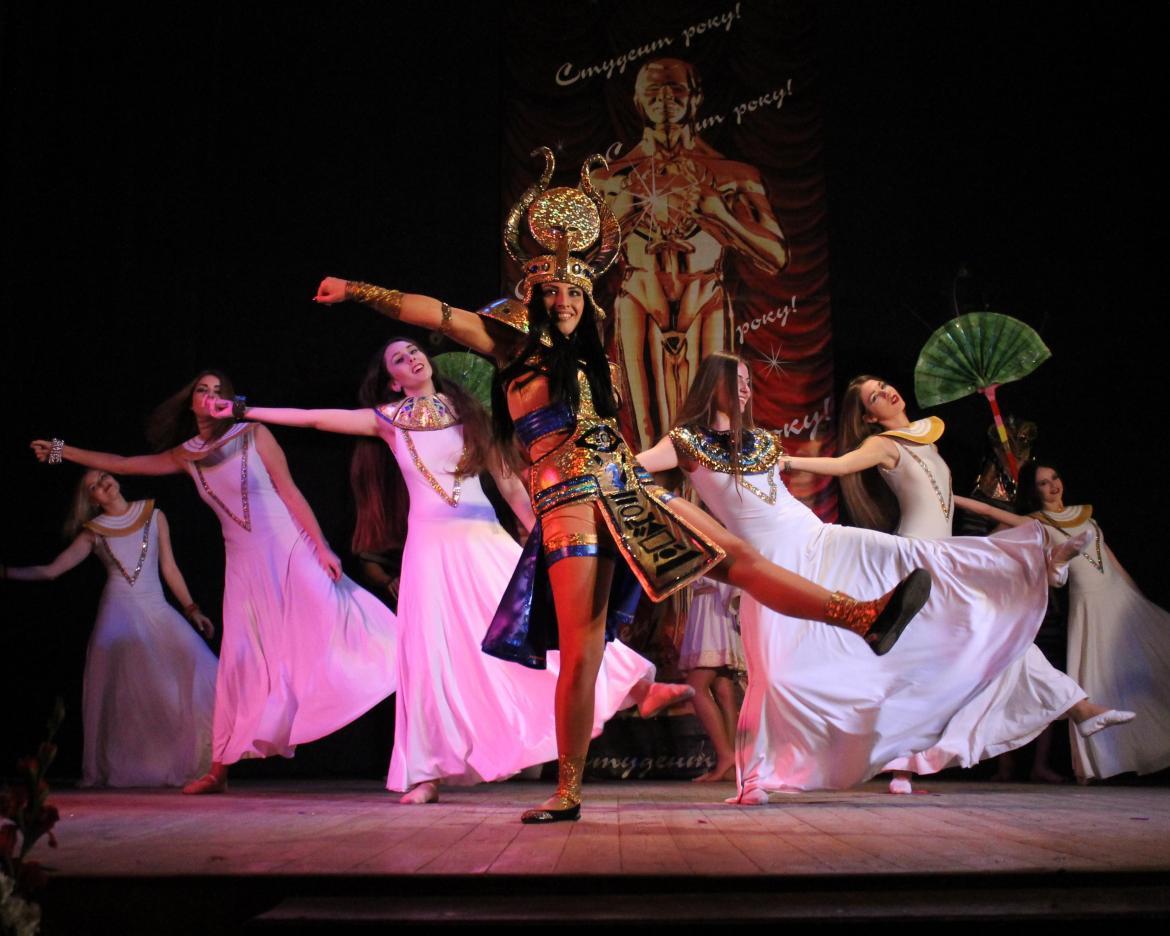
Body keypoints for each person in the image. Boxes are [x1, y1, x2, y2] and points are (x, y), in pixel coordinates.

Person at [313, 148, 931, 822]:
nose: (565, 302)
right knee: (582, 651)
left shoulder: (593, 366)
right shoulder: (513, 347)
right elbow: (435, 313)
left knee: (740, 561)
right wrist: (356, 290)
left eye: (576, 294)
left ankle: (864, 617)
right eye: (554, 293)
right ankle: (568, 791)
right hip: (569, 507)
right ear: (533, 299)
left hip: (628, 492)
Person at [207, 337, 693, 804]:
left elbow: (510, 483)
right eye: (399, 359)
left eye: (414, 351)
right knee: (430, 660)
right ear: (393, 380)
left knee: (541, 622)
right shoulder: (389, 419)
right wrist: (246, 411)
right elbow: (315, 419)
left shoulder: (469, 412)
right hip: (429, 551)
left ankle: (640, 687)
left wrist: (539, 533)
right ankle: (425, 774)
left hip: (482, 538)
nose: (411, 358)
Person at [30, 370, 399, 794]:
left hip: (288, 545)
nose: (210, 396)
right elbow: (123, 463)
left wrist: (322, 546)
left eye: (218, 390)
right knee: (239, 659)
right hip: (243, 562)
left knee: (335, 614)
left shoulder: (254, 433)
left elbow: (290, 492)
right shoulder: (186, 454)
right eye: (202, 390)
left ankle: (407, 661)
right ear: (191, 403)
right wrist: (60, 451)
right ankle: (219, 770)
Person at [782, 374, 1134, 792]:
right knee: (980, 641)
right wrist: (788, 462)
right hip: (920, 560)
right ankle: (1077, 699)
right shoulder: (884, 444)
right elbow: (842, 465)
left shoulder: (926, 441)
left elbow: (944, 500)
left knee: (971, 648)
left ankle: (1075, 708)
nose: (887, 392)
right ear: (869, 416)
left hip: (943, 557)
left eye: (884, 385)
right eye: (874, 396)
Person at [594, 58, 790, 452]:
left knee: (712, 426)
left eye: (676, 89)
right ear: (637, 101)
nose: (665, 99)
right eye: (654, 91)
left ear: (696, 98)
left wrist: (721, 215)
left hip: (705, 297)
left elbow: (776, 255)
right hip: (640, 298)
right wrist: (622, 215)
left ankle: (711, 493)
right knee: (649, 433)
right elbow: (581, 263)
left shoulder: (733, 173)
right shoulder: (609, 178)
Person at [3, 471, 217, 787]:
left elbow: (169, 568)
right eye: (94, 486)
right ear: (92, 500)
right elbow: (52, 571)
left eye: (104, 477)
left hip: (155, 607)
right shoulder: (94, 532)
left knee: (192, 668)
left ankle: (178, 758)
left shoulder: (154, 514)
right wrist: (7, 572)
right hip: (118, 611)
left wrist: (192, 609)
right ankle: (136, 764)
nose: (103, 484)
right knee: (124, 691)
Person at [965, 462, 1170, 781]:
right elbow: (992, 518)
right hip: (1088, 604)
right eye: (1043, 483)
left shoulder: (1087, 517)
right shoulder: (1037, 522)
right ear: (1035, 492)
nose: (1052, 486)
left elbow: (1111, 562)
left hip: (1119, 596)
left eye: (1055, 478)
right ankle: (1102, 760)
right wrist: (951, 498)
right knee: (1099, 677)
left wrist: (1137, 597)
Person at [677, 576, 744, 783]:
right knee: (723, 689)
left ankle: (725, 755)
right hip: (713, 608)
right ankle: (731, 765)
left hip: (712, 612)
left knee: (696, 687)